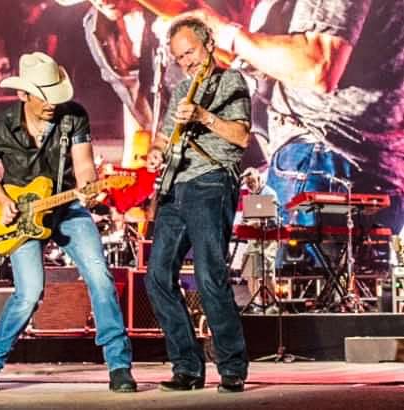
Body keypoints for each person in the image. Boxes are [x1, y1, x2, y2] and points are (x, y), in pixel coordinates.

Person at [0, 51, 136, 392]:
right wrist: (4, 201)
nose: (51, 103)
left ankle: (119, 366)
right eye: (43, 95)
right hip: (21, 215)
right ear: (22, 94)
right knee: (30, 292)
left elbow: (84, 166)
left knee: (100, 277)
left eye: (54, 94)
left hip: (67, 207)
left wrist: (91, 189)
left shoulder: (73, 118)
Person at [185, 0, 404, 235]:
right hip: (374, 168)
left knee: (302, 270)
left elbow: (317, 65)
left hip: (324, 161)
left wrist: (225, 32)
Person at [145, 17, 250, 393]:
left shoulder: (231, 81)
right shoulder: (181, 90)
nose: (185, 61)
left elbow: (239, 137)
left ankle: (232, 366)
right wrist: (156, 154)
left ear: (207, 43)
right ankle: (187, 367)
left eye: (189, 52)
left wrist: (204, 117)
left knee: (209, 276)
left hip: (211, 182)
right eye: (178, 57)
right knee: (157, 277)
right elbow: (162, 139)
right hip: (175, 187)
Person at [239, 167, 279, 313]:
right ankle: (257, 303)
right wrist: (247, 223)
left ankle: (272, 304)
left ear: (258, 178)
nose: (249, 186)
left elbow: (274, 221)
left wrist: (259, 222)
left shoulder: (269, 193)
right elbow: (246, 218)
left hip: (268, 239)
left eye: (251, 182)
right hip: (253, 239)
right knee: (250, 270)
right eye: (247, 183)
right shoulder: (249, 196)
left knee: (267, 271)